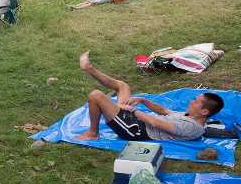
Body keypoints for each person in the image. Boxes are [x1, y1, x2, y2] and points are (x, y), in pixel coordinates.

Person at [75, 51, 223, 141]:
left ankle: (92, 133)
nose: (191, 101)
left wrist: (130, 110)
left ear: (204, 111)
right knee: (123, 86)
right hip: (137, 121)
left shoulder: (192, 127)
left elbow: (155, 123)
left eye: (196, 101)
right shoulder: (189, 115)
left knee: (96, 95)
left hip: (135, 130)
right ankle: (90, 69)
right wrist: (143, 101)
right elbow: (164, 111)